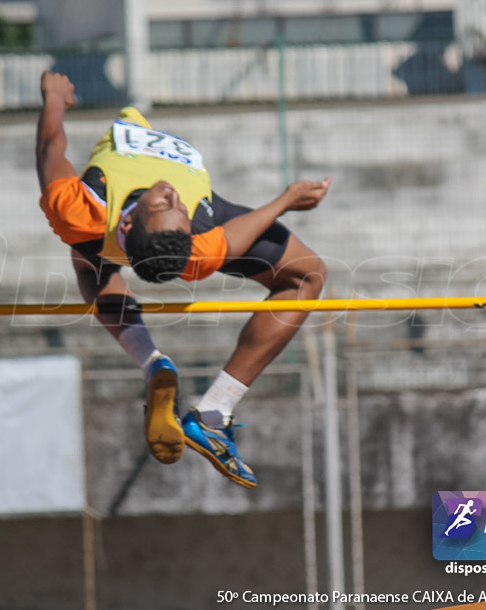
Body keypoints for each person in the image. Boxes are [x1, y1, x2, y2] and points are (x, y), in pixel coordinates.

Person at [35, 71, 330, 489]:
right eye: (168, 202)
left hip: (105, 237)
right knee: (308, 276)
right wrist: (284, 200)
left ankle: (157, 366)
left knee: (89, 265)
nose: (171, 192)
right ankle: (213, 414)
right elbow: (233, 236)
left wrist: (53, 100)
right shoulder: (200, 246)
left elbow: (50, 147)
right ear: (133, 218)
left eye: (169, 202)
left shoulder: (79, 210)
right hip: (182, 228)